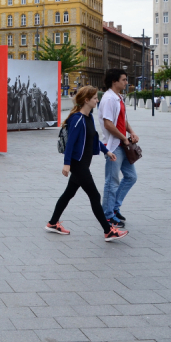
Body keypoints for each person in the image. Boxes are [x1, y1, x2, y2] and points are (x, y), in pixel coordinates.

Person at [46, 86, 128, 242]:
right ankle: (108, 230)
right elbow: (70, 143)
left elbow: (94, 139)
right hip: (78, 164)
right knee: (95, 195)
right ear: (86, 100)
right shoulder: (77, 119)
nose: (97, 100)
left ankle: (52, 223)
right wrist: (67, 164)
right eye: (95, 98)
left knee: (69, 193)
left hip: (83, 163)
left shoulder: (89, 117)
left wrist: (106, 151)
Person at [100, 69, 139, 228]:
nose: (126, 82)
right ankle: (108, 215)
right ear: (114, 81)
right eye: (123, 80)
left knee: (131, 176)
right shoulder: (109, 99)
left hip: (123, 144)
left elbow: (122, 119)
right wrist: (124, 138)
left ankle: (114, 208)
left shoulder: (118, 98)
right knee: (112, 181)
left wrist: (131, 132)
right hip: (113, 146)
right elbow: (108, 124)